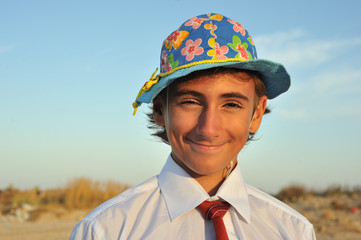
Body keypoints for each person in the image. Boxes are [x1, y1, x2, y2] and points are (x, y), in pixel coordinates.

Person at [70, 13, 316, 240]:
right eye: (190, 102)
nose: (209, 129)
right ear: (159, 110)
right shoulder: (106, 230)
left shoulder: (293, 230)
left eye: (231, 104)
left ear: (256, 114)